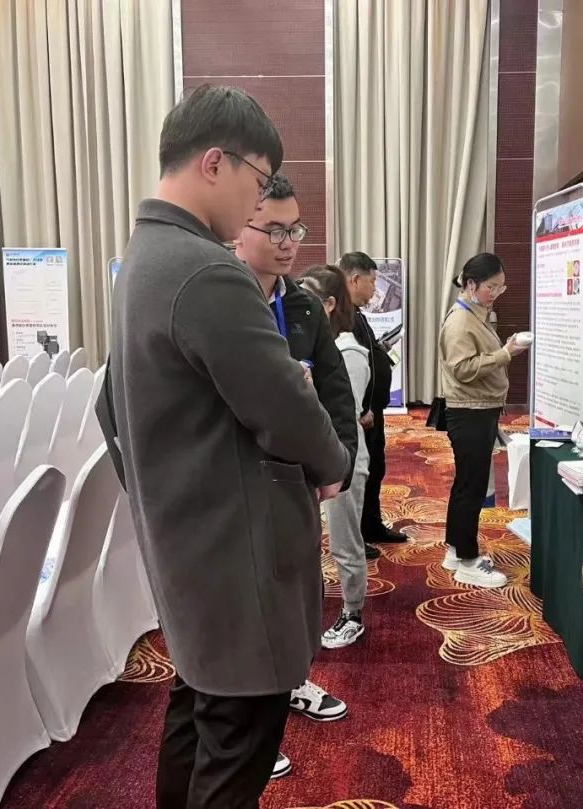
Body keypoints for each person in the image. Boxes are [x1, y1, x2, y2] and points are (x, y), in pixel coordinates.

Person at [109, 85, 350, 809]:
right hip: (234, 556)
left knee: (198, 716)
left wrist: (158, 490)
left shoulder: (142, 258)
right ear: (214, 163)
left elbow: (106, 407)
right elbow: (286, 406)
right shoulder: (206, 268)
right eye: (257, 179)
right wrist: (333, 461)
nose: (256, 203)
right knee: (238, 742)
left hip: (188, 544)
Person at [232, 172, 356, 767]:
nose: (287, 243)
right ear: (240, 228)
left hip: (296, 480)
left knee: (296, 593)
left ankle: (290, 685)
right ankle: (250, 729)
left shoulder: (302, 305)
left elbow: (335, 389)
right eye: (274, 230)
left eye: (295, 230)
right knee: (246, 600)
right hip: (237, 482)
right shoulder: (220, 299)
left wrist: (340, 462)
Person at [438, 252, 527, 588]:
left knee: (468, 484)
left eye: (501, 287)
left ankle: (455, 550)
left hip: (478, 409)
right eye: (492, 287)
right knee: (471, 487)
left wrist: (503, 350)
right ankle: (467, 560)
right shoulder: (460, 321)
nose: (496, 294)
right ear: (471, 285)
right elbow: (462, 369)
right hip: (469, 411)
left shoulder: (475, 313)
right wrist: (505, 354)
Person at [301, 266, 371, 648]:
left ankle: (352, 613)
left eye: (308, 298)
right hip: (315, 455)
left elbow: (347, 411)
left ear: (328, 304)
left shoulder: (348, 352)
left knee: (345, 540)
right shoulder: (317, 347)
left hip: (345, 459)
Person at [339, 252, 408, 559]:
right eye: (373, 281)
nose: (375, 290)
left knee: (375, 468)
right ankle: (356, 536)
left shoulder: (356, 314)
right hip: (360, 414)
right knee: (358, 475)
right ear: (355, 279)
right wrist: (360, 409)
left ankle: (371, 525)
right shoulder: (341, 316)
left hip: (372, 411)